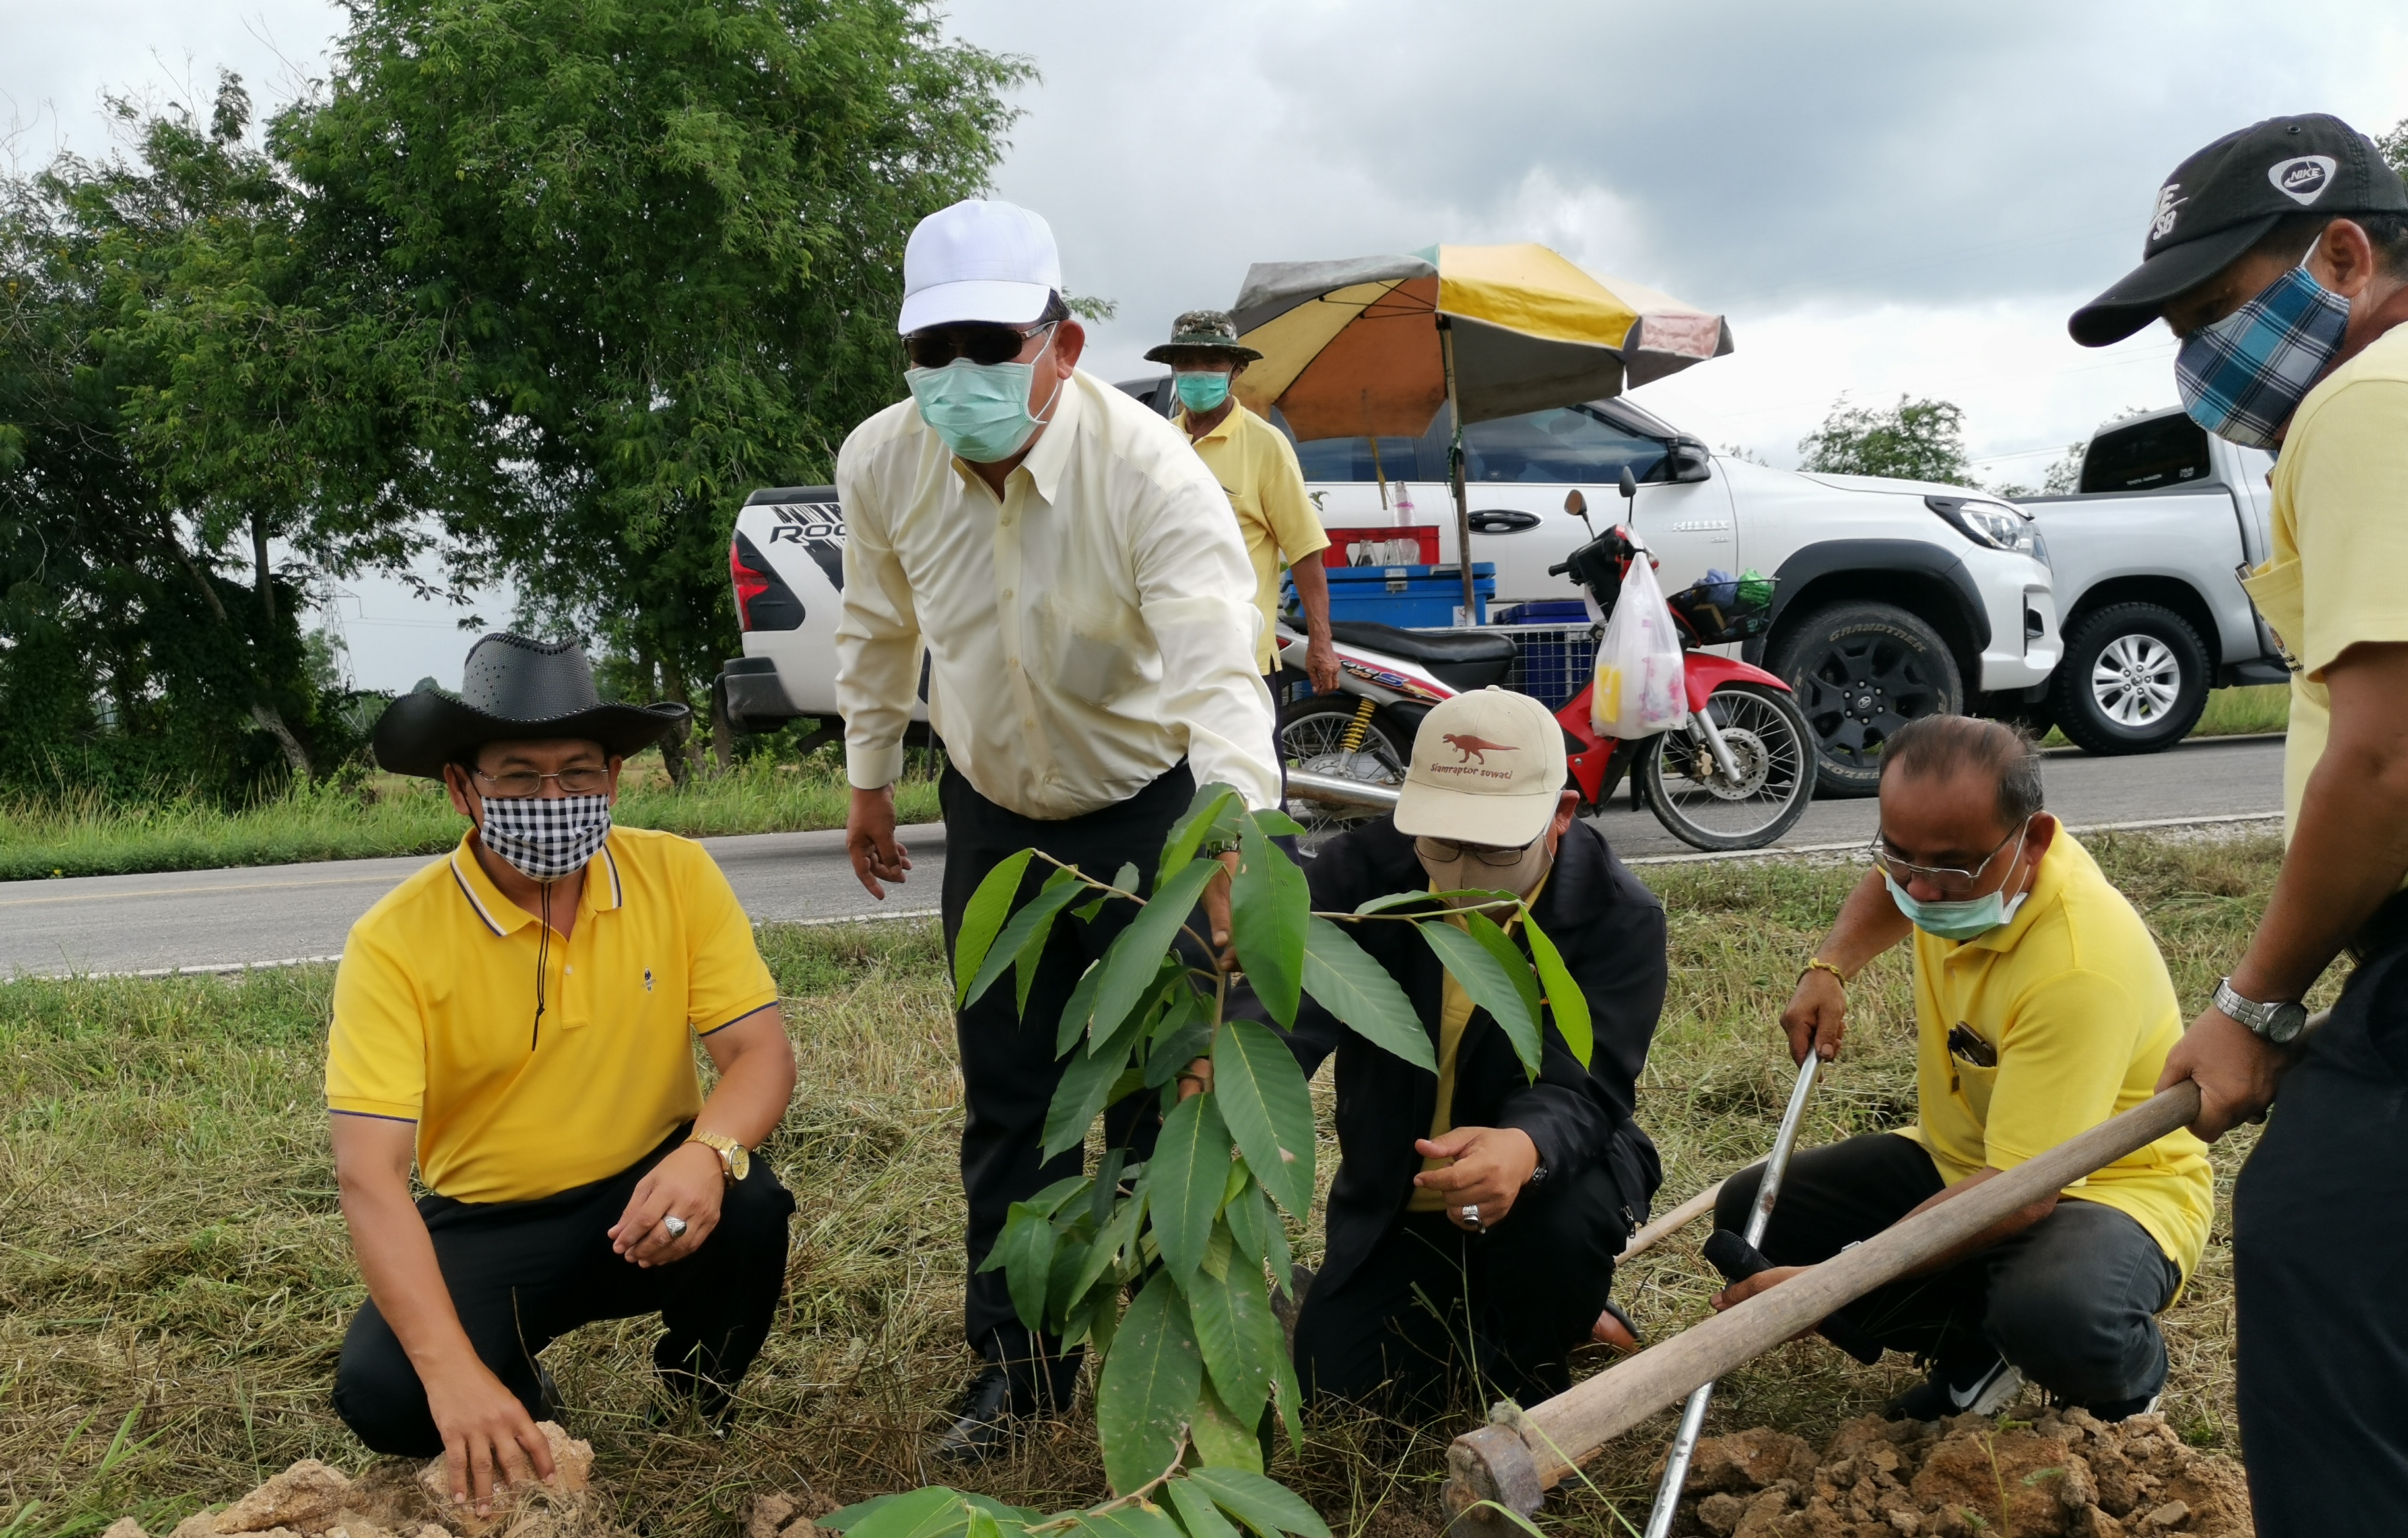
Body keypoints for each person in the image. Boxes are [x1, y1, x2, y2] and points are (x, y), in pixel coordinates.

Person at [835, 199, 1277, 1457]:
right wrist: (871, 776)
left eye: (991, 344)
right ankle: (1015, 1381)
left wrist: (1233, 840)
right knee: (1011, 1105)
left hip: (1146, 809)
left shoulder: (1149, 473)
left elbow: (1217, 668)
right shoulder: (882, 461)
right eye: (931, 351)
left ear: (1063, 346)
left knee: (1150, 1098)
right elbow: (875, 628)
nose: (958, 377)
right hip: (992, 824)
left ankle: (1161, 1364)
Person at [2072, 114, 2408, 1538]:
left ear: (2345, 256)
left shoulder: (2371, 396)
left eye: (2215, 314)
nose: (2200, 363)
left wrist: (2255, 1001)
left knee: (2318, 1237)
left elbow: (2389, 762)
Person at [327, 634, 799, 1510]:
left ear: (615, 779)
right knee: (386, 1391)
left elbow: (759, 1054)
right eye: (518, 776)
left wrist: (707, 1155)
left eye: (579, 772)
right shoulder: (395, 941)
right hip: (491, 1222)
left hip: (650, 1184)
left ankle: (700, 1401)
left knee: (751, 1201)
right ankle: (522, 1402)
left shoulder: (677, 876)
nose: (555, 799)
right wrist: (451, 1373)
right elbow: (369, 1174)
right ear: (462, 787)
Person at [1713, 716, 2211, 1424]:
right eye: (1901, 854)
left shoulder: (2077, 966)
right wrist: (1830, 968)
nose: (1923, 891)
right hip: (1967, 1159)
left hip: (2104, 1189)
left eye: (1949, 867)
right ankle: (1980, 1348)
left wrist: (1835, 1282)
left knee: (2057, 1311)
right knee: (1754, 1214)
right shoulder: (1950, 877)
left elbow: (2022, 1195)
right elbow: (1893, 886)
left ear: (2032, 839)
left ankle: (2125, 1383)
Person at [1242, 688, 1667, 1413]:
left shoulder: (1615, 917)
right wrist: (1239, 1093)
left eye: (1495, 849)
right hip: (1404, 1196)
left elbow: (1583, 1086)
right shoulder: (1364, 878)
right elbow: (1290, 1001)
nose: (1463, 874)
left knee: (1549, 1257)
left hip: (1547, 1183)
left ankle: (1550, 1330)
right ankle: (1480, 1308)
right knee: (1341, 1393)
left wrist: (1523, 1148)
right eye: (1442, 843)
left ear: (1559, 817)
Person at [1143, 310, 1341, 716]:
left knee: (1246, 779)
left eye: (1213, 363)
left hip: (1240, 658)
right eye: (1187, 363)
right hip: (1165, 657)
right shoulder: (1157, 442)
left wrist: (1321, 642)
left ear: (1237, 370)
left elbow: (1304, 551)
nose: (1198, 374)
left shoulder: (1265, 446)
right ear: (1173, 369)